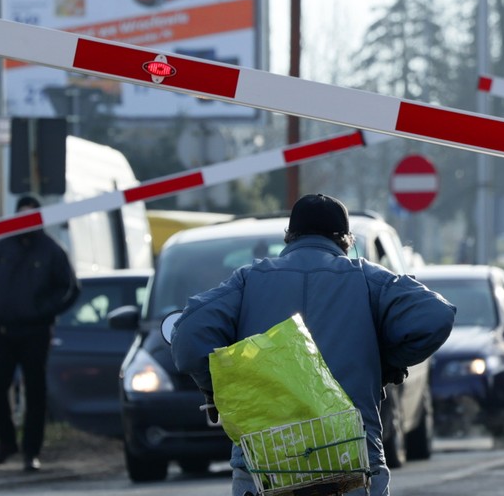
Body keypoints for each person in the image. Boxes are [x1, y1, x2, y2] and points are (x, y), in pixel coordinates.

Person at [171, 193, 456, 496]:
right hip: (349, 454)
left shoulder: (248, 281)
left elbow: (188, 340)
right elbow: (436, 315)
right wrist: (388, 360)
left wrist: (221, 387)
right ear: (346, 240)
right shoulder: (367, 279)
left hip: (267, 460)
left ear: (289, 237)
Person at [0, 194, 80, 473]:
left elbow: (70, 288)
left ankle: (31, 452)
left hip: (35, 332)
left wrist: (45, 310)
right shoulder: (2, 247)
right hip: (2, 331)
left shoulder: (51, 250)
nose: (26, 221)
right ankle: (6, 443)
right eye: (21, 214)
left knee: (35, 391)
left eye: (31, 215)